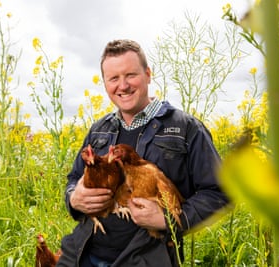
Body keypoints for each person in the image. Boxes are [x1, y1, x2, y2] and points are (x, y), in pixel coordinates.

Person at [56, 39, 229, 267]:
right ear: (106, 83)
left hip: (147, 259)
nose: (123, 85)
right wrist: (74, 198)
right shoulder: (99, 130)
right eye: (114, 78)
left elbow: (220, 192)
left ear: (148, 74)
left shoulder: (185, 128)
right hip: (84, 254)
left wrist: (168, 219)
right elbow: (73, 180)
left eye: (131, 75)